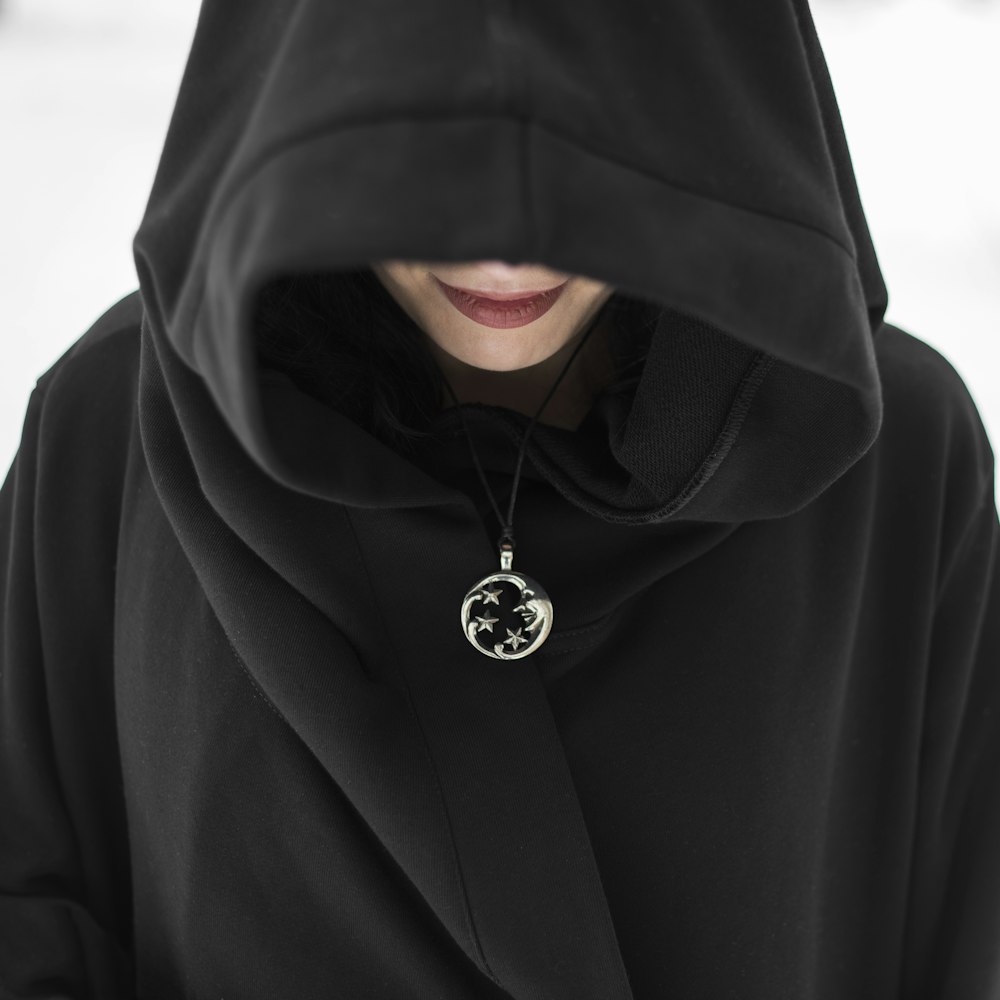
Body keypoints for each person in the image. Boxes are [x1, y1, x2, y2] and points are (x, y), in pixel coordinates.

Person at [0, 0, 997, 997]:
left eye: (581, 152)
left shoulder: (895, 461)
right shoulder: (111, 433)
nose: (508, 254)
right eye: (438, 146)